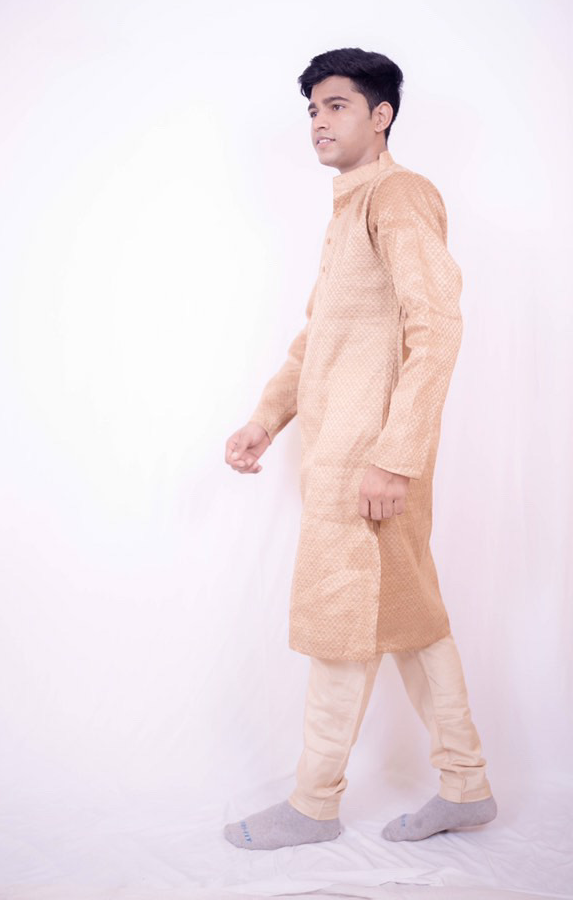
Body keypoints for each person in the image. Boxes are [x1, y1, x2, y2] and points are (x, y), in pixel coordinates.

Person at [223, 47, 497, 850]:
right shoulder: (348, 210)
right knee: (413, 621)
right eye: (312, 109)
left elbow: (436, 327)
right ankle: (468, 786)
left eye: (336, 105)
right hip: (346, 457)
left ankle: (313, 803)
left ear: (382, 116)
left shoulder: (398, 196)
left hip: (369, 466)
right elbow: (319, 339)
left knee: (342, 622)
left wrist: (394, 457)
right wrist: (266, 419)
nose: (319, 121)